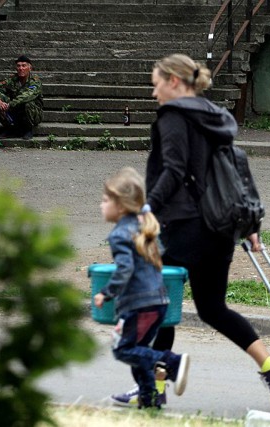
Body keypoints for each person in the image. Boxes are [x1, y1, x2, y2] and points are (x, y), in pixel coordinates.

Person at [111, 54, 270, 415]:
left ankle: (155, 387)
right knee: (211, 307)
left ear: (175, 82)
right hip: (219, 226)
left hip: (185, 226)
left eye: (156, 83)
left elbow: (175, 170)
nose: (153, 93)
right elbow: (236, 169)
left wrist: (146, 209)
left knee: (159, 304)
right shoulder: (214, 115)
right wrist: (250, 223)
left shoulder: (175, 116)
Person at [94, 167, 190, 409]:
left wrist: (106, 292)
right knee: (138, 352)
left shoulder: (119, 234)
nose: (101, 205)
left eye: (106, 200)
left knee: (123, 350)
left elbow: (124, 270)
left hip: (140, 304)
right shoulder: (142, 227)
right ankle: (149, 401)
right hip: (158, 302)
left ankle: (170, 362)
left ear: (122, 206)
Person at [0, 55, 43, 140]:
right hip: (15, 110)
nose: (21, 68)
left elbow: (26, 96)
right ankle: (10, 128)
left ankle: (28, 130)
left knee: (27, 103)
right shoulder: (12, 79)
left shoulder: (35, 81)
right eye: (18, 66)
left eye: (24, 66)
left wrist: (10, 104)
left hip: (33, 114)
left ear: (30, 68)